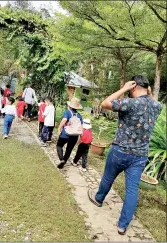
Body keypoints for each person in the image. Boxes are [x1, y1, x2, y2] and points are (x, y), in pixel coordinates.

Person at [87, 75, 162, 235]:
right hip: (140, 155)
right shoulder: (157, 106)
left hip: (120, 151)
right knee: (132, 190)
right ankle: (122, 225)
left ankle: (98, 199)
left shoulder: (130, 103)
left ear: (133, 87)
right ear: (148, 88)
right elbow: (151, 100)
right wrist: (147, 91)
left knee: (108, 177)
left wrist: (123, 88)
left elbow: (105, 103)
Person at [56, 97, 83, 169]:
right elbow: (80, 127)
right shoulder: (79, 116)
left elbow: (64, 120)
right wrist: (80, 137)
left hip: (65, 134)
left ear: (70, 106)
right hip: (74, 136)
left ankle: (61, 159)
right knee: (69, 150)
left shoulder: (67, 112)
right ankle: (63, 162)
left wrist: (59, 128)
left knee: (59, 145)